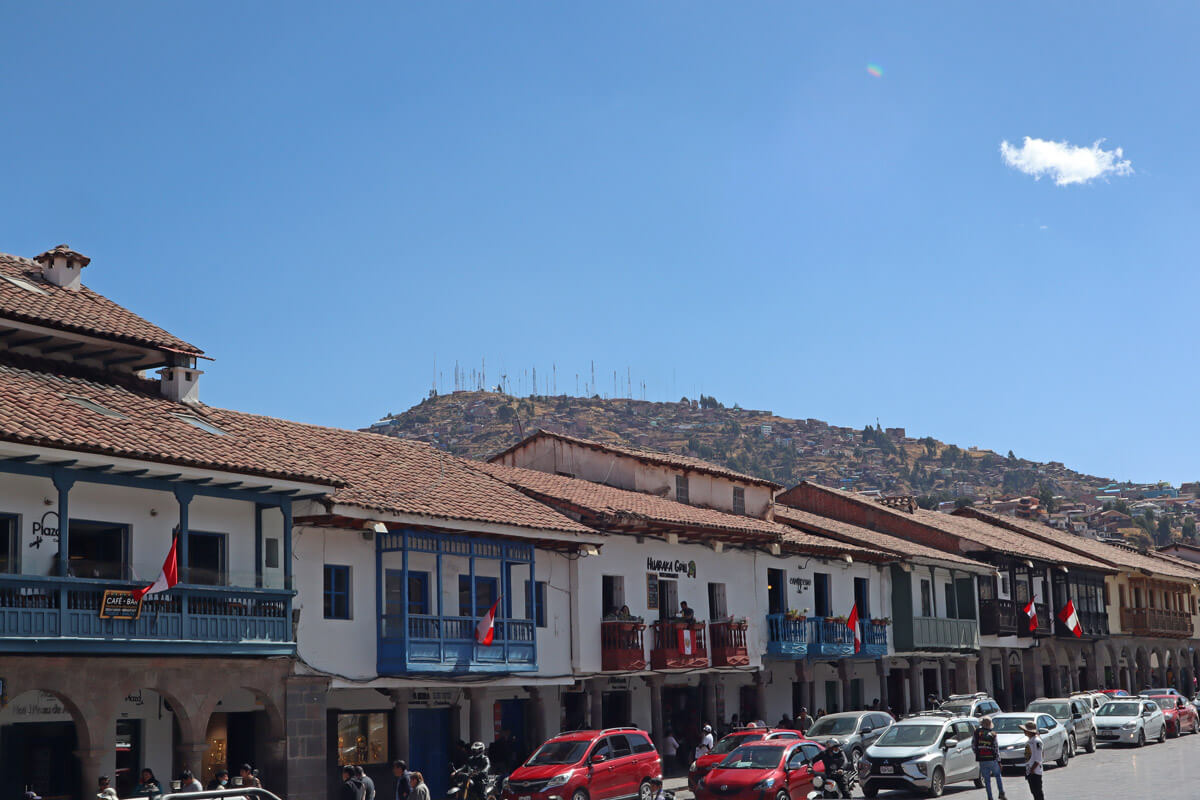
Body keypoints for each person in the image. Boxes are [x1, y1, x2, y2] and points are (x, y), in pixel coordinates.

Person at [972, 717, 1006, 800]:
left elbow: (973, 745)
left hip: (982, 759)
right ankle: (1001, 793)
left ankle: (990, 797)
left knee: (987, 780)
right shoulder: (993, 734)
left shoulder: (977, 732)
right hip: (992, 759)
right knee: (998, 775)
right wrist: (999, 761)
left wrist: (978, 753)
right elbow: (996, 748)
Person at [1021, 721, 1044, 800]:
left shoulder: (1037, 741)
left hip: (1035, 771)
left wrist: (1032, 769)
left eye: (1025, 730)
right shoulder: (1030, 741)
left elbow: (1038, 758)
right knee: (1034, 792)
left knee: (1038, 792)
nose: (1024, 731)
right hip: (1029, 769)